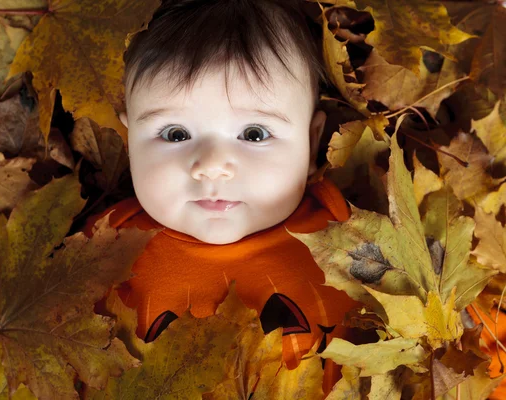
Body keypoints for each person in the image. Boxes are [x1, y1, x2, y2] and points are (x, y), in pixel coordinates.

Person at [82, 0, 503, 397]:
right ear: (129, 139)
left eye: (254, 134)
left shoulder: (348, 235)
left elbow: (452, 334)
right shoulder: (102, 249)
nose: (211, 165)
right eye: (175, 134)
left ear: (311, 140)